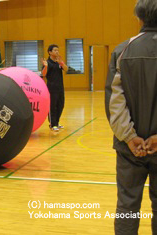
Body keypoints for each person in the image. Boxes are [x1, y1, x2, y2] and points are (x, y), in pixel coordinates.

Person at [105, 0, 157, 234]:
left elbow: (115, 101)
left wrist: (129, 137)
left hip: (130, 150)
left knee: (127, 207)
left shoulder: (123, 50)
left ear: (139, 18)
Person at [41, 44, 68, 131]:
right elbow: (43, 74)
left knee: (61, 105)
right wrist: (45, 66)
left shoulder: (58, 62)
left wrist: (62, 63)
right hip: (51, 88)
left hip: (60, 87)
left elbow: (66, 69)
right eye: (55, 50)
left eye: (57, 50)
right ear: (50, 52)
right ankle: (52, 124)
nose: (57, 52)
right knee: (52, 106)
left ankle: (57, 122)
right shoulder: (47, 63)